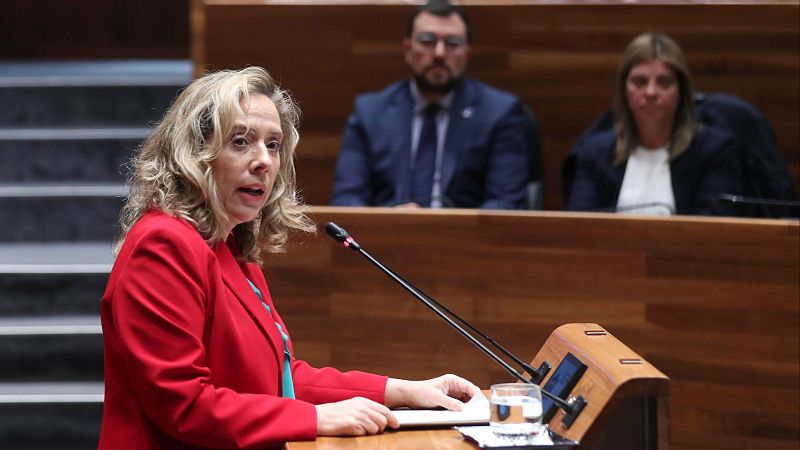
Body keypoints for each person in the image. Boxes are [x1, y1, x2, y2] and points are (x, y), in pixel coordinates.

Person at [98, 66, 480, 450]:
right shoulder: (163, 246)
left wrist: (403, 390)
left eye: (274, 144)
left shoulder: (230, 248)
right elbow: (183, 404)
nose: (263, 160)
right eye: (241, 141)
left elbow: (279, 377)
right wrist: (315, 418)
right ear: (195, 153)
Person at [331, 0, 537, 209]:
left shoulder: (500, 113)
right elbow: (347, 200)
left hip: (466, 238)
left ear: (467, 51)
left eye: (453, 43)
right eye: (427, 41)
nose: (439, 53)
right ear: (407, 48)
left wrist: (442, 230)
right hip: (383, 239)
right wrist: (390, 221)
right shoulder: (370, 113)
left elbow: (505, 204)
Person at [566, 32, 742, 216]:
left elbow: (714, 231)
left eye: (664, 82)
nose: (651, 92)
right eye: (639, 81)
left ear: (681, 90)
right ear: (624, 89)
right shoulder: (595, 152)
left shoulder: (715, 151)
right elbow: (579, 228)